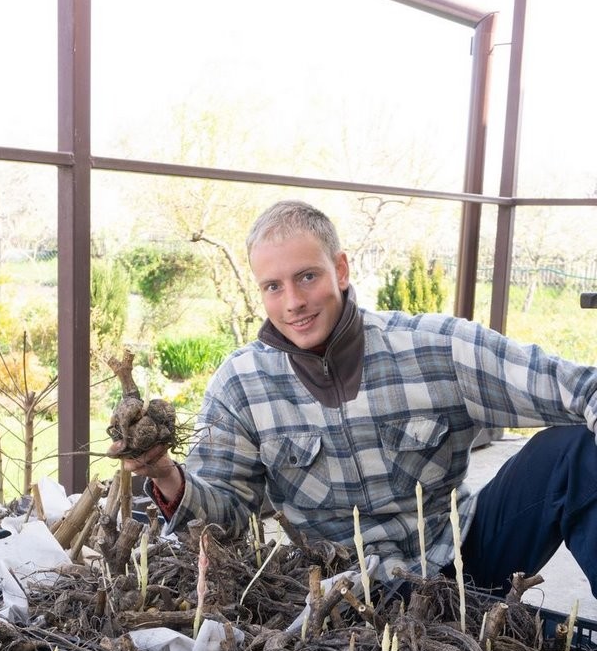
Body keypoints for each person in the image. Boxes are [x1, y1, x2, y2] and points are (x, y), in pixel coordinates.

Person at [109, 199, 597, 596]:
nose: (293, 302)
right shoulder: (242, 383)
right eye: (273, 287)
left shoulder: (435, 347)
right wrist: (167, 477)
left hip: (465, 555)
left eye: (307, 277)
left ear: (340, 270)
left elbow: (576, 388)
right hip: (349, 594)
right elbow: (227, 519)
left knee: (576, 454)